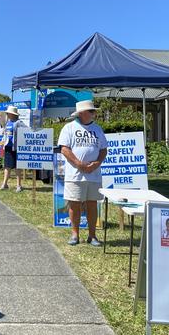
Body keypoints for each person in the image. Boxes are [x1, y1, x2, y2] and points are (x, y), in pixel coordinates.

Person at [57, 100, 107, 246]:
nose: (94, 113)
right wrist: (79, 164)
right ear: (82, 113)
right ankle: (75, 234)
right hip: (75, 174)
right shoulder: (69, 128)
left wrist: (96, 163)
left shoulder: (97, 129)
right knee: (74, 204)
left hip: (94, 174)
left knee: (92, 204)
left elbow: (103, 149)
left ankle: (92, 235)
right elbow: (64, 149)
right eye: (91, 111)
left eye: (93, 111)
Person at [0, 106, 26, 192]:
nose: (7, 114)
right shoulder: (8, 123)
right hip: (8, 147)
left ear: (13, 114)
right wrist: (3, 141)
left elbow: (26, 130)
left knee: (17, 166)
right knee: (7, 166)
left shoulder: (19, 122)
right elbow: (6, 134)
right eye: (7, 113)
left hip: (16, 148)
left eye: (8, 113)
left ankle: (19, 185)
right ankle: (4, 184)